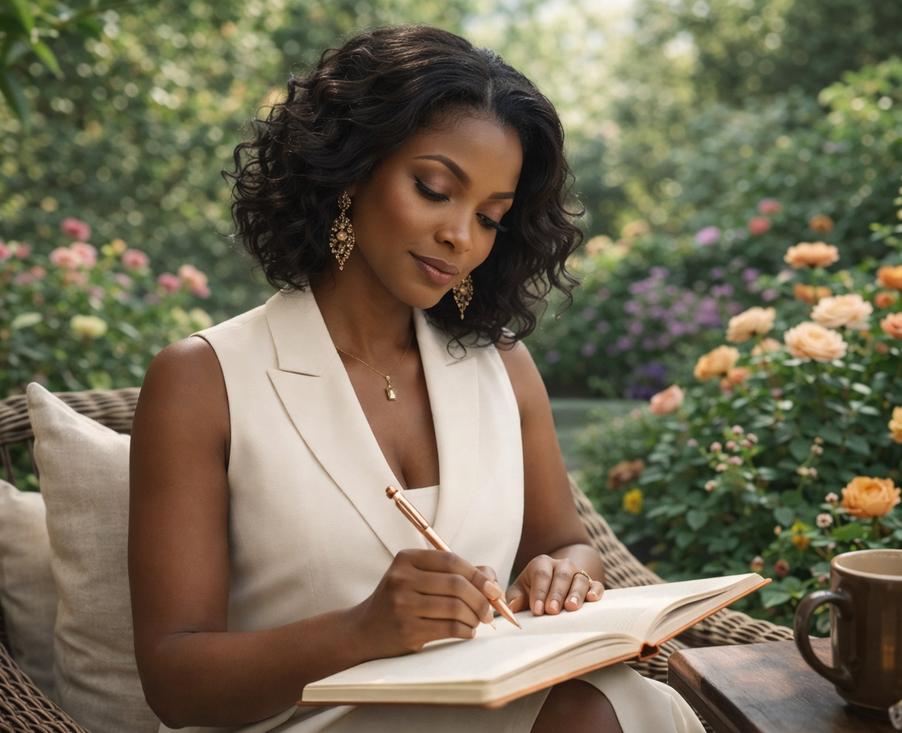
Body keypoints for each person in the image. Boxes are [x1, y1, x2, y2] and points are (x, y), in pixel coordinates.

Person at [128, 25, 703, 733]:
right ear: (349, 171)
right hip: (306, 723)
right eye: (435, 189)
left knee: (618, 704)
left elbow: (565, 542)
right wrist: (359, 630)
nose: (462, 236)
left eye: (491, 216)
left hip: (488, 707)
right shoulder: (202, 380)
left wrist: (566, 570)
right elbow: (174, 680)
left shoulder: (503, 368)